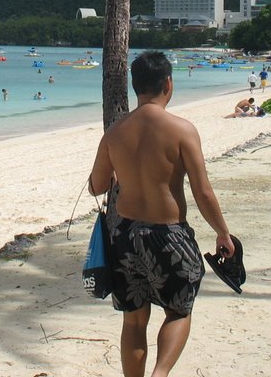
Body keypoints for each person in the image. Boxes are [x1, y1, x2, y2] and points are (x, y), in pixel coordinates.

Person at [88, 51, 234, 377]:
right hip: (168, 235)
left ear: (135, 86)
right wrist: (222, 233)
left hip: (124, 236)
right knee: (178, 310)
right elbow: (203, 192)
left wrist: (118, 174)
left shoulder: (114, 131)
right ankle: (161, 373)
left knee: (134, 318)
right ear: (168, 83)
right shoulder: (182, 130)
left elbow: (96, 186)